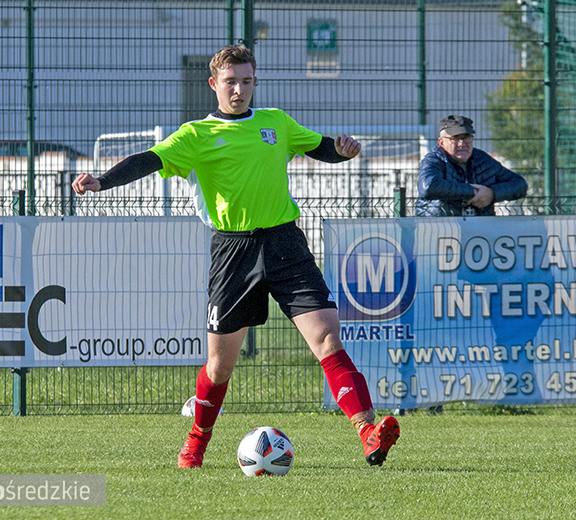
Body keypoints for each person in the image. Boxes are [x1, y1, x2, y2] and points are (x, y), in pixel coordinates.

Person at [72, 45, 399, 469]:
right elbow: (149, 161)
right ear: (214, 84)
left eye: (246, 81)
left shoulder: (275, 123)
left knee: (327, 338)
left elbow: (319, 146)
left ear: (255, 83)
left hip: (286, 245)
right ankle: (196, 442)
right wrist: (101, 180)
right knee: (220, 366)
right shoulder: (195, 135)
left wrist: (344, 150)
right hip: (233, 251)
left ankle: (367, 429)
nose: (239, 89)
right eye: (230, 82)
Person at [416, 115, 528, 216]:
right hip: (440, 229)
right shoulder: (434, 160)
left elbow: (519, 184)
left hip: (480, 230)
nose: (462, 143)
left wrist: (491, 193)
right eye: (455, 138)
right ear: (441, 142)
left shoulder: (483, 160)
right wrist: (472, 192)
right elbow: (428, 186)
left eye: (466, 137)